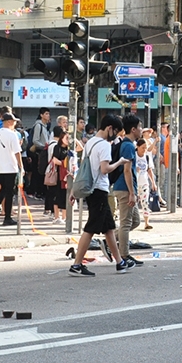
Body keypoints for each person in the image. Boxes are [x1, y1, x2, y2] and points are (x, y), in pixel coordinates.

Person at [68, 114, 134, 277]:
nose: (116, 135)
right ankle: (76, 264)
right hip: (99, 189)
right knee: (91, 227)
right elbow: (104, 169)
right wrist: (119, 162)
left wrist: (73, 191)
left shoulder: (89, 143)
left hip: (92, 189)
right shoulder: (104, 145)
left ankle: (120, 262)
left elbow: (84, 168)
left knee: (109, 227)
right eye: (116, 131)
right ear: (109, 128)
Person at [110, 114, 143, 267]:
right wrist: (131, 192)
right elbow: (127, 171)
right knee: (125, 223)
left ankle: (109, 241)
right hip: (124, 188)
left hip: (125, 188)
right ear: (133, 129)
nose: (142, 130)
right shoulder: (128, 146)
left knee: (135, 220)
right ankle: (124, 255)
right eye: (140, 127)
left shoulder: (127, 144)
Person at [0, 113, 23, 226]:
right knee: (9, 192)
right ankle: (7, 217)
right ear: (8, 122)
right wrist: (21, 166)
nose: (15, 123)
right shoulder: (12, 134)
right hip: (10, 166)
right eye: (13, 121)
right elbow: (17, 152)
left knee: (3, 188)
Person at [48, 126, 72, 225]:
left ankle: (64, 217)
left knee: (66, 195)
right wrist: (63, 163)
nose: (68, 140)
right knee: (58, 195)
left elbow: (81, 148)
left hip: (68, 174)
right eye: (66, 138)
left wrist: (75, 141)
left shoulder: (69, 148)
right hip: (59, 175)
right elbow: (54, 160)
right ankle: (57, 216)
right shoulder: (57, 148)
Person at [30, 108, 53, 203]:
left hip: (44, 152)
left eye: (48, 114)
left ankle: (40, 192)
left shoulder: (45, 126)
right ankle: (36, 192)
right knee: (38, 173)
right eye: (46, 114)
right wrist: (44, 147)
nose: (48, 116)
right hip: (40, 152)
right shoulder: (38, 125)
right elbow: (35, 140)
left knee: (42, 172)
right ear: (41, 115)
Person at [136, 136, 158, 230]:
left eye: (145, 148)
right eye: (142, 148)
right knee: (134, 203)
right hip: (134, 183)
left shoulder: (147, 157)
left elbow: (149, 170)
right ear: (137, 146)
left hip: (144, 182)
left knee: (145, 202)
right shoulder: (133, 155)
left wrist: (153, 182)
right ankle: (132, 221)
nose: (144, 150)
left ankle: (146, 222)